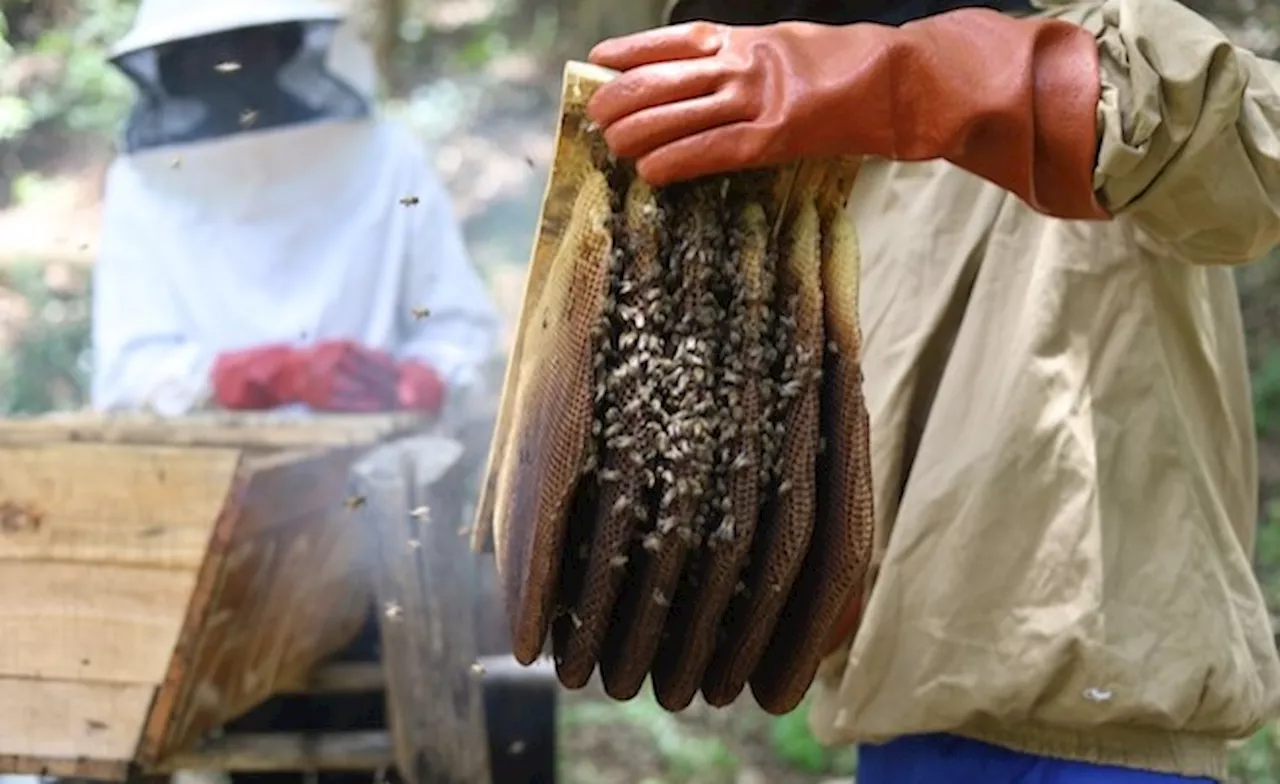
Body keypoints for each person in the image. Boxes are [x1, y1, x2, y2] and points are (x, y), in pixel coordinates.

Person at [584, 0, 1280, 782]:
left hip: (1107, 742)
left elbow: (1252, 155)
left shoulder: (1117, 48)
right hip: (900, 733)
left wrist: (900, 81)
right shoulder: (827, 185)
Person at [91, 0, 500, 419]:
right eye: (208, 52)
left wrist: (422, 379)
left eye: (249, 43)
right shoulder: (140, 184)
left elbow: (460, 331)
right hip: (205, 474)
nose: (230, 67)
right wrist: (258, 376)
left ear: (286, 43)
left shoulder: (387, 158)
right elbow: (127, 375)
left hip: (378, 467)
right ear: (171, 65)